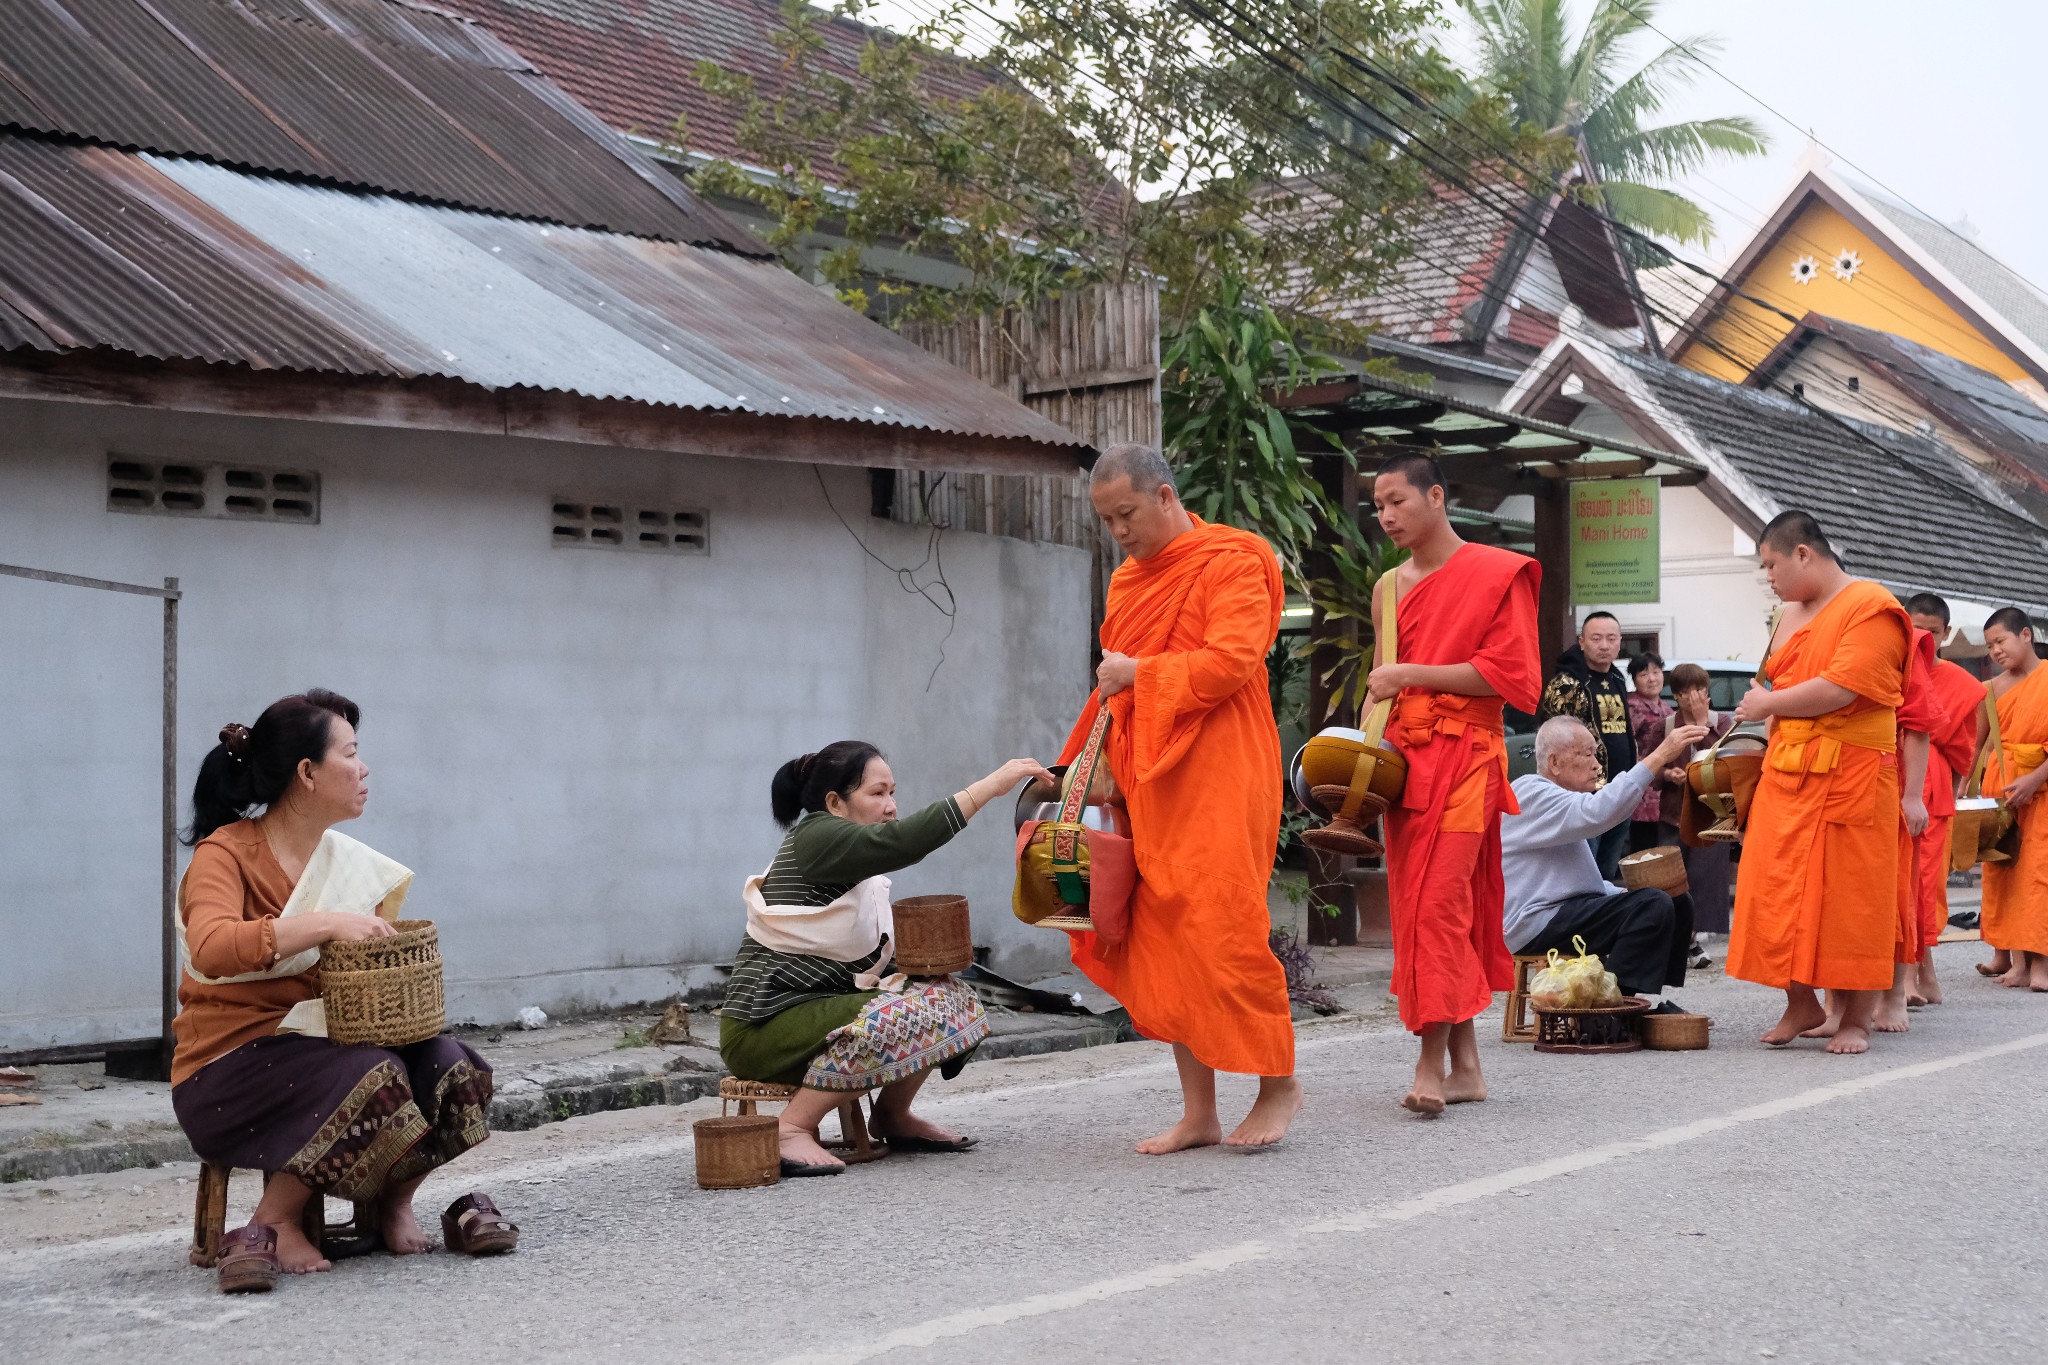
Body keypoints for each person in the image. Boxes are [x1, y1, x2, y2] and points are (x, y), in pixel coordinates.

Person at [172, 691, 507, 1295]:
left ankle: (394, 1203)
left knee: (449, 1064)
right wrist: (326, 923)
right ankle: (274, 1220)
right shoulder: (223, 856)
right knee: (373, 1074)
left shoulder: (352, 866)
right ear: (307, 773)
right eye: (350, 754)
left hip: (323, 1054)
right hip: (227, 1069)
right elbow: (212, 947)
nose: (365, 768)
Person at [1059, 442, 1300, 1153]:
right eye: (1107, 521)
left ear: (1166, 496)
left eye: (1127, 513)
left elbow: (1233, 660)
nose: (1120, 533)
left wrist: (1141, 669)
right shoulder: (1130, 582)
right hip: (1149, 772)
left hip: (1222, 763)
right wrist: (1088, 761)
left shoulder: (1232, 560)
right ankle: (1200, 1111)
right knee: (1162, 931)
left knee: (1223, 924)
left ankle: (1278, 1081)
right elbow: (1113, 684)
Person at [720, 742, 1049, 1174]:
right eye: (877, 794)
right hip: (764, 1026)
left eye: (893, 793)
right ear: (835, 803)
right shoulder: (815, 836)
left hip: (816, 1012)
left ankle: (893, 1115)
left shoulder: (850, 860)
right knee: (912, 1011)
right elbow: (904, 841)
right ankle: (790, 1129)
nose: (891, 807)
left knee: (953, 998)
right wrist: (991, 786)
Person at [1366, 451, 1541, 1116]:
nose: (1385, 515)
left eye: (1397, 501)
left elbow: (1513, 677)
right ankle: (1467, 1064)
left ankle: (1429, 1062)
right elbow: (1383, 687)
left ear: (1436, 496)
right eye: (1378, 505)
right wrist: (1361, 769)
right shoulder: (1388, 586)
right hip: (1406, 763)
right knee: (1427, 910)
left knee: (1439, 903)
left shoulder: (1497, 573)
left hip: (1468, 758)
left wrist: (1413, 674)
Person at [1728, 511, 1912, 1054]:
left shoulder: (1871, 605)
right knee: (1773, 884)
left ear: (1803, 554)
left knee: (1850, 896)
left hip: (1852, 768)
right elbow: (1777, 677)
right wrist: (1762, 706)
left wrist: (1767, 703)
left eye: (1772, 565)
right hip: (1789, 768)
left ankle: (1855, 1018)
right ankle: (1800, 1001)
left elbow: (1842, 688)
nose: (1770, 578)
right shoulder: (1788, 612)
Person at [1503, 717, 1712, 1005]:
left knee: (1675, 899)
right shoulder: (1530, 792)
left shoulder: (1561, 799)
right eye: (1587, 754)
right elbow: (1600, 812)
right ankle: (1610, 1008)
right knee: (1652, 904)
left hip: (1564, 912)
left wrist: (1628, 894)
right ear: (1554, 762)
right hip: (1536, 922)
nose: (1597, 765)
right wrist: (1661, 754)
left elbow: (1582, 884)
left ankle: (1632, 999)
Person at [1903, 594, 1987, 1006]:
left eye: (1931, 632)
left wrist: (1947, 799)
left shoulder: (1961, 684)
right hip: (1887, 780)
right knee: (1893, 883)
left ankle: (1924, 967)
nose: (1921, 639)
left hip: (1932, 793)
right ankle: (1904, 973)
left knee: (1925, 884)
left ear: (1946, 633)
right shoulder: (1889, 672)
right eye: (1914, 629)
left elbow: (1962, 753)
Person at [1978, 607, 2048, 990]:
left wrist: (2033, 780)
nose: (1995, 651)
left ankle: (2041, 966)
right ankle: (2017, 962)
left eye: (2000, 641)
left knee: (2038, 875)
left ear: (2025, 635)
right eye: (1989, 646)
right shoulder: (1992, 688)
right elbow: (1976, 744)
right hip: (2001, 793)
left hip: (2040, 792)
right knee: (2006, 874)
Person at [1538, 612, 1637, 878]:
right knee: (1583, 871)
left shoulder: (1616, 678)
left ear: (1619, 643)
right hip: (1584, 796)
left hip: (1619, 789)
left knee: (1607, 870)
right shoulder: (1566, 684)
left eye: (1611, 638)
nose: (1604, 645)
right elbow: (1554, 740)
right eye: (1596, 638)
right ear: (1582, 642)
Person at [1661, 663, 1736, 958]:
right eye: (1686, 692)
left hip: (1711, 811)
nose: (1694, 697)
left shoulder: (1722, 721)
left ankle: (1689, 940)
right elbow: (1652, 765)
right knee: (1673, 878)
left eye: (1700, 689)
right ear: (1676, 696)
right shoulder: (1667, 726)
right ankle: (1685, 942)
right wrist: (1669, 775)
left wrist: (1704, 722)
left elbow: (1728, 759)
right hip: (1673, 812)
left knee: (1705, 877)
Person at [1624, 654, 1672, 854]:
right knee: (1643, 849)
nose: (1652, 679)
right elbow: (1628, 746)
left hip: (1666, 786)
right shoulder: (1632, 707)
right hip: (1643, 787)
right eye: (1644, 674)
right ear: (1634, 679)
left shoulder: (1667, 707)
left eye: (1656, 672)